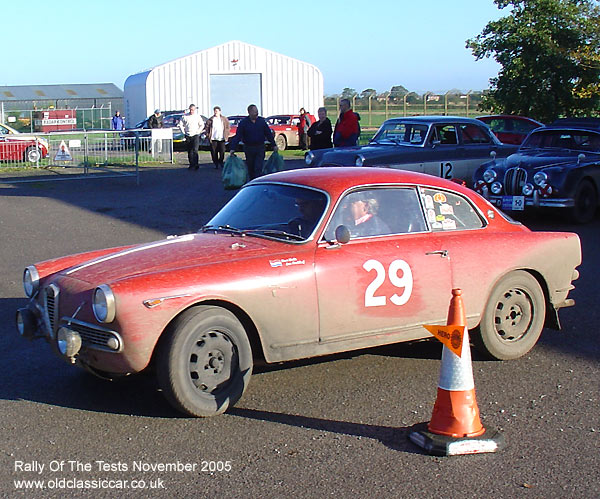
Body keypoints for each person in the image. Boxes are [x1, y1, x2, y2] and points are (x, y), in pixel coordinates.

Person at [228, 104, 277, 180]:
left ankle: (257, 182)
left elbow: (268, 133)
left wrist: (274, 145)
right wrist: (232, 148)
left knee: (258, 167)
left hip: (260, 147)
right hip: (249, 148)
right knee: (251, 168)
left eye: (257, 111)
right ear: (249, 112)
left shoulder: (261, 121)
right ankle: (252, 181)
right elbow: (238, 136)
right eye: (254, 112)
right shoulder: (243, 123)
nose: (256, 113)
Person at [178, 104, 205, 170]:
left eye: (193, 110)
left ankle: (196, 164)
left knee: (195, 150)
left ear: (195, 110)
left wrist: (198, 131)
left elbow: (202, 125)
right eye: (190, 109)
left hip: (195, 135)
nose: (191, 111)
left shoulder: (197, 116)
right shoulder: (185, 116)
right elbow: (180, 124)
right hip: (188, 135)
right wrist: (183, 132)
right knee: (190, 150)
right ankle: (191, 164)